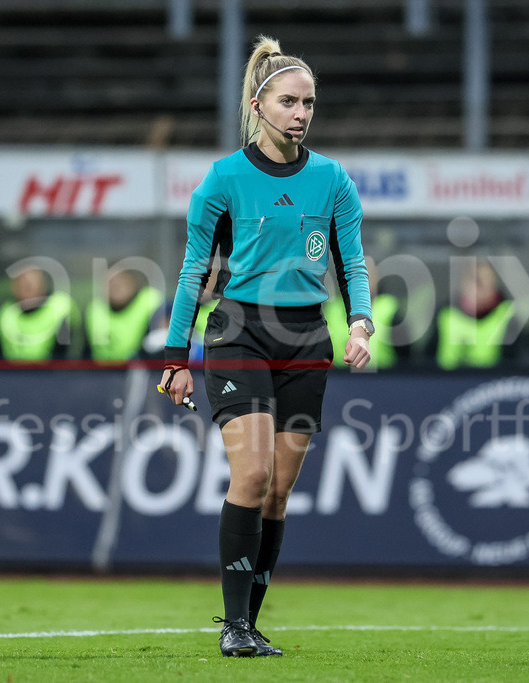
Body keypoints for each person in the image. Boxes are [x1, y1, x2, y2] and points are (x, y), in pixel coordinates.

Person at [158, 35, 374, 658]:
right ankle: (233, 629)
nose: (302, 113)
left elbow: (352, 261)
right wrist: (176, 358)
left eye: (309, 103)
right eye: (289, 102)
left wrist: (360, 322)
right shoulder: (223, 179)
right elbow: (193, 271)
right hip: (239, 333)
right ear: (258, 105)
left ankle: (248, 622)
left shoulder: (333, 180)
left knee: (278, 488)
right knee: (251, 474)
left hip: (307, 338)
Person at [429, 258, 520, 369]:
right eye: (478, 281)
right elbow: (427, 360)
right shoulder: (445, 315)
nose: (486, 288)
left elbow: (515, 366)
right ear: (463, 282)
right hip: (445, 383)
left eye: (491, 281)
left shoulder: (508, 315)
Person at [325, 256, 404, 369]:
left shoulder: (389, 310)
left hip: (383, 379)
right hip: (340, 379)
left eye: (365, 275)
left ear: (376, 278)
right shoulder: (333, 310)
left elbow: (406, 357)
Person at [0, 266, 81, 361]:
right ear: (13, 288)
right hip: (12, 373)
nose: (26, 287)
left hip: (52, 373)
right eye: (22, 284)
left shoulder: (60, 307)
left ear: (43, 285)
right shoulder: (6, 314)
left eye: (31, 284)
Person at [86, 270, 163, 362]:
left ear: (133, 283)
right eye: (110, 282)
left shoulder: (150, 304)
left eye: (121, 281)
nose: (115, 286)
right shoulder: (95, 310)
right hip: (100, 371)